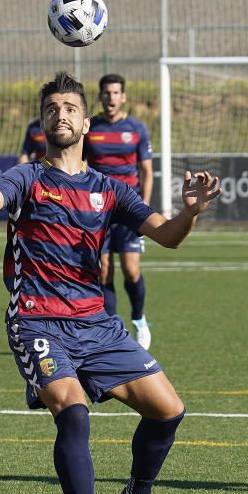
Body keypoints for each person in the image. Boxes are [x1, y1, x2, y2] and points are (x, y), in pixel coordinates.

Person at [0, 72, 220, 494]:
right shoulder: (28, 178)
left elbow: (167, 236)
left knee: (168, 410)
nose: (62, 114)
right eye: (52, 108)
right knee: (74, 415)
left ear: (86, 122)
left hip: (96, 323)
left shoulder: (108, 189)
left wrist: (193, 212)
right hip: (38, 321)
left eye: (71, 108)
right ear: (42, 121)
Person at [84, 74, 154, 348]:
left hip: (128, 208)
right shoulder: (90, 128)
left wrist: (143, 210)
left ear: (123, 97)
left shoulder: (136, 128)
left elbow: (146, 171)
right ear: (100, 97)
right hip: (97, 211)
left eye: (116, 93)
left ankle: (139, 319)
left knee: (131, 269)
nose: (111, 97)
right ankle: (114, 329)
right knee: (103, 271)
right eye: (106, 93)